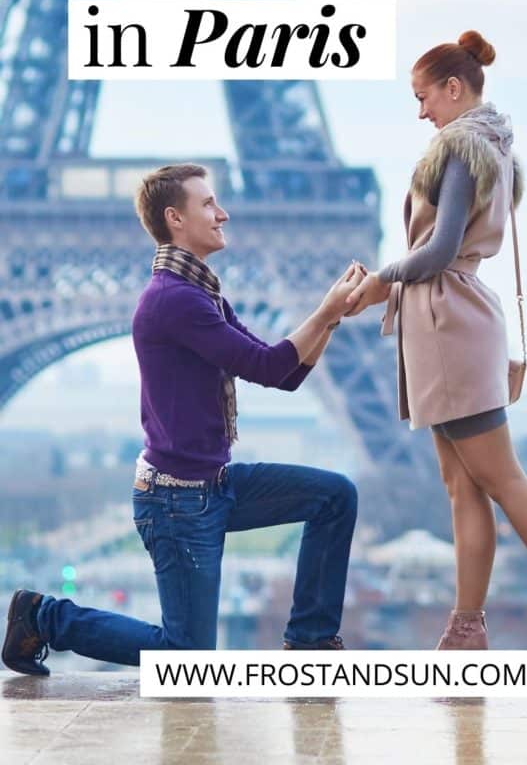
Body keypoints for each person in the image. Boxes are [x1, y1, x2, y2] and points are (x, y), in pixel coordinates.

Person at [344, 30, 527, 682]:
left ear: (454, 88)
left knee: (499, 477)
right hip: (445, 322)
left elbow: (439, 251)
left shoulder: (460, 149)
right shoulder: (484, 148)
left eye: (423, 98)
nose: (420, 112)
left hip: (448, 324)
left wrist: (378, 281)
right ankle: (466, 630)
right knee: (461, 486)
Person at [2, 163, 363, 676]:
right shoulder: (175, 301)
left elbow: (285, 373)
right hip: (176, 501)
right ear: (175, 218)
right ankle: (44, 615)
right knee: (186, 658)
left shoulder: (202, 293)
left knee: (335, 496)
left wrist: (333, 315)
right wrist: (326, 312)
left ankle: (309, 642)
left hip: (214, 485)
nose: (223, 213)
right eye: (209, 205)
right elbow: (268, 366)